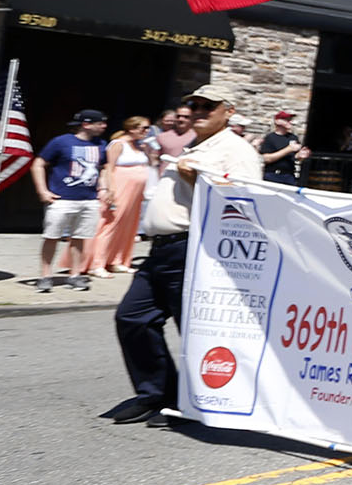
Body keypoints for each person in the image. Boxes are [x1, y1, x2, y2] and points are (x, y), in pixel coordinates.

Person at [109, 88, 261, 425]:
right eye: (194, 104)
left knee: (193, 330)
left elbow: (247, 203)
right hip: (162, 250)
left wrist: (198, 182)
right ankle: (156, 393)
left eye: (209, 106)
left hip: (193, 247)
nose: (199, 110)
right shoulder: (197, 145)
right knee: (132, 317)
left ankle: (193, 402)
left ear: (229, 111)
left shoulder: (237, 150)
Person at [31, 109, 108, 292]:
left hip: (89, 199)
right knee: (52, 237)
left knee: (80, 238)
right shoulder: (61, 142)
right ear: (86, 124)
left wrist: (103, 188)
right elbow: (38, 164)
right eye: (100, 122)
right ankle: (45, 276)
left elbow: (103, 168)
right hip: (62, 198)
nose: (104, 126)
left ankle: (75, 275)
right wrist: (43, 191)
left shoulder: (101, 144)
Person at [87, 116, 154, 277]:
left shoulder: (139, 146)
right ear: (132, 128)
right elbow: (109, 168)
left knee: (129, 225)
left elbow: (151, 163)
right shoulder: (118, 144)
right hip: (120, 186)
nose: (146, 131)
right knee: (112, 223)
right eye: (143, 128)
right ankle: (97, 263)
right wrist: (109, 189)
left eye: (147, 128)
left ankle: (118, 259)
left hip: (135, 191)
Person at [259, 109, 308, 187]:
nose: (290, 122)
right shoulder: (270, 137)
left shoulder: (293, 137)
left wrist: (300, 156)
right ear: (277, 121)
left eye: (290, 120)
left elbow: (294, 157)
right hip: (273, 175)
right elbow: (267, 159)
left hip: (289, 176)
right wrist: (288, 149)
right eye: (286, 120)